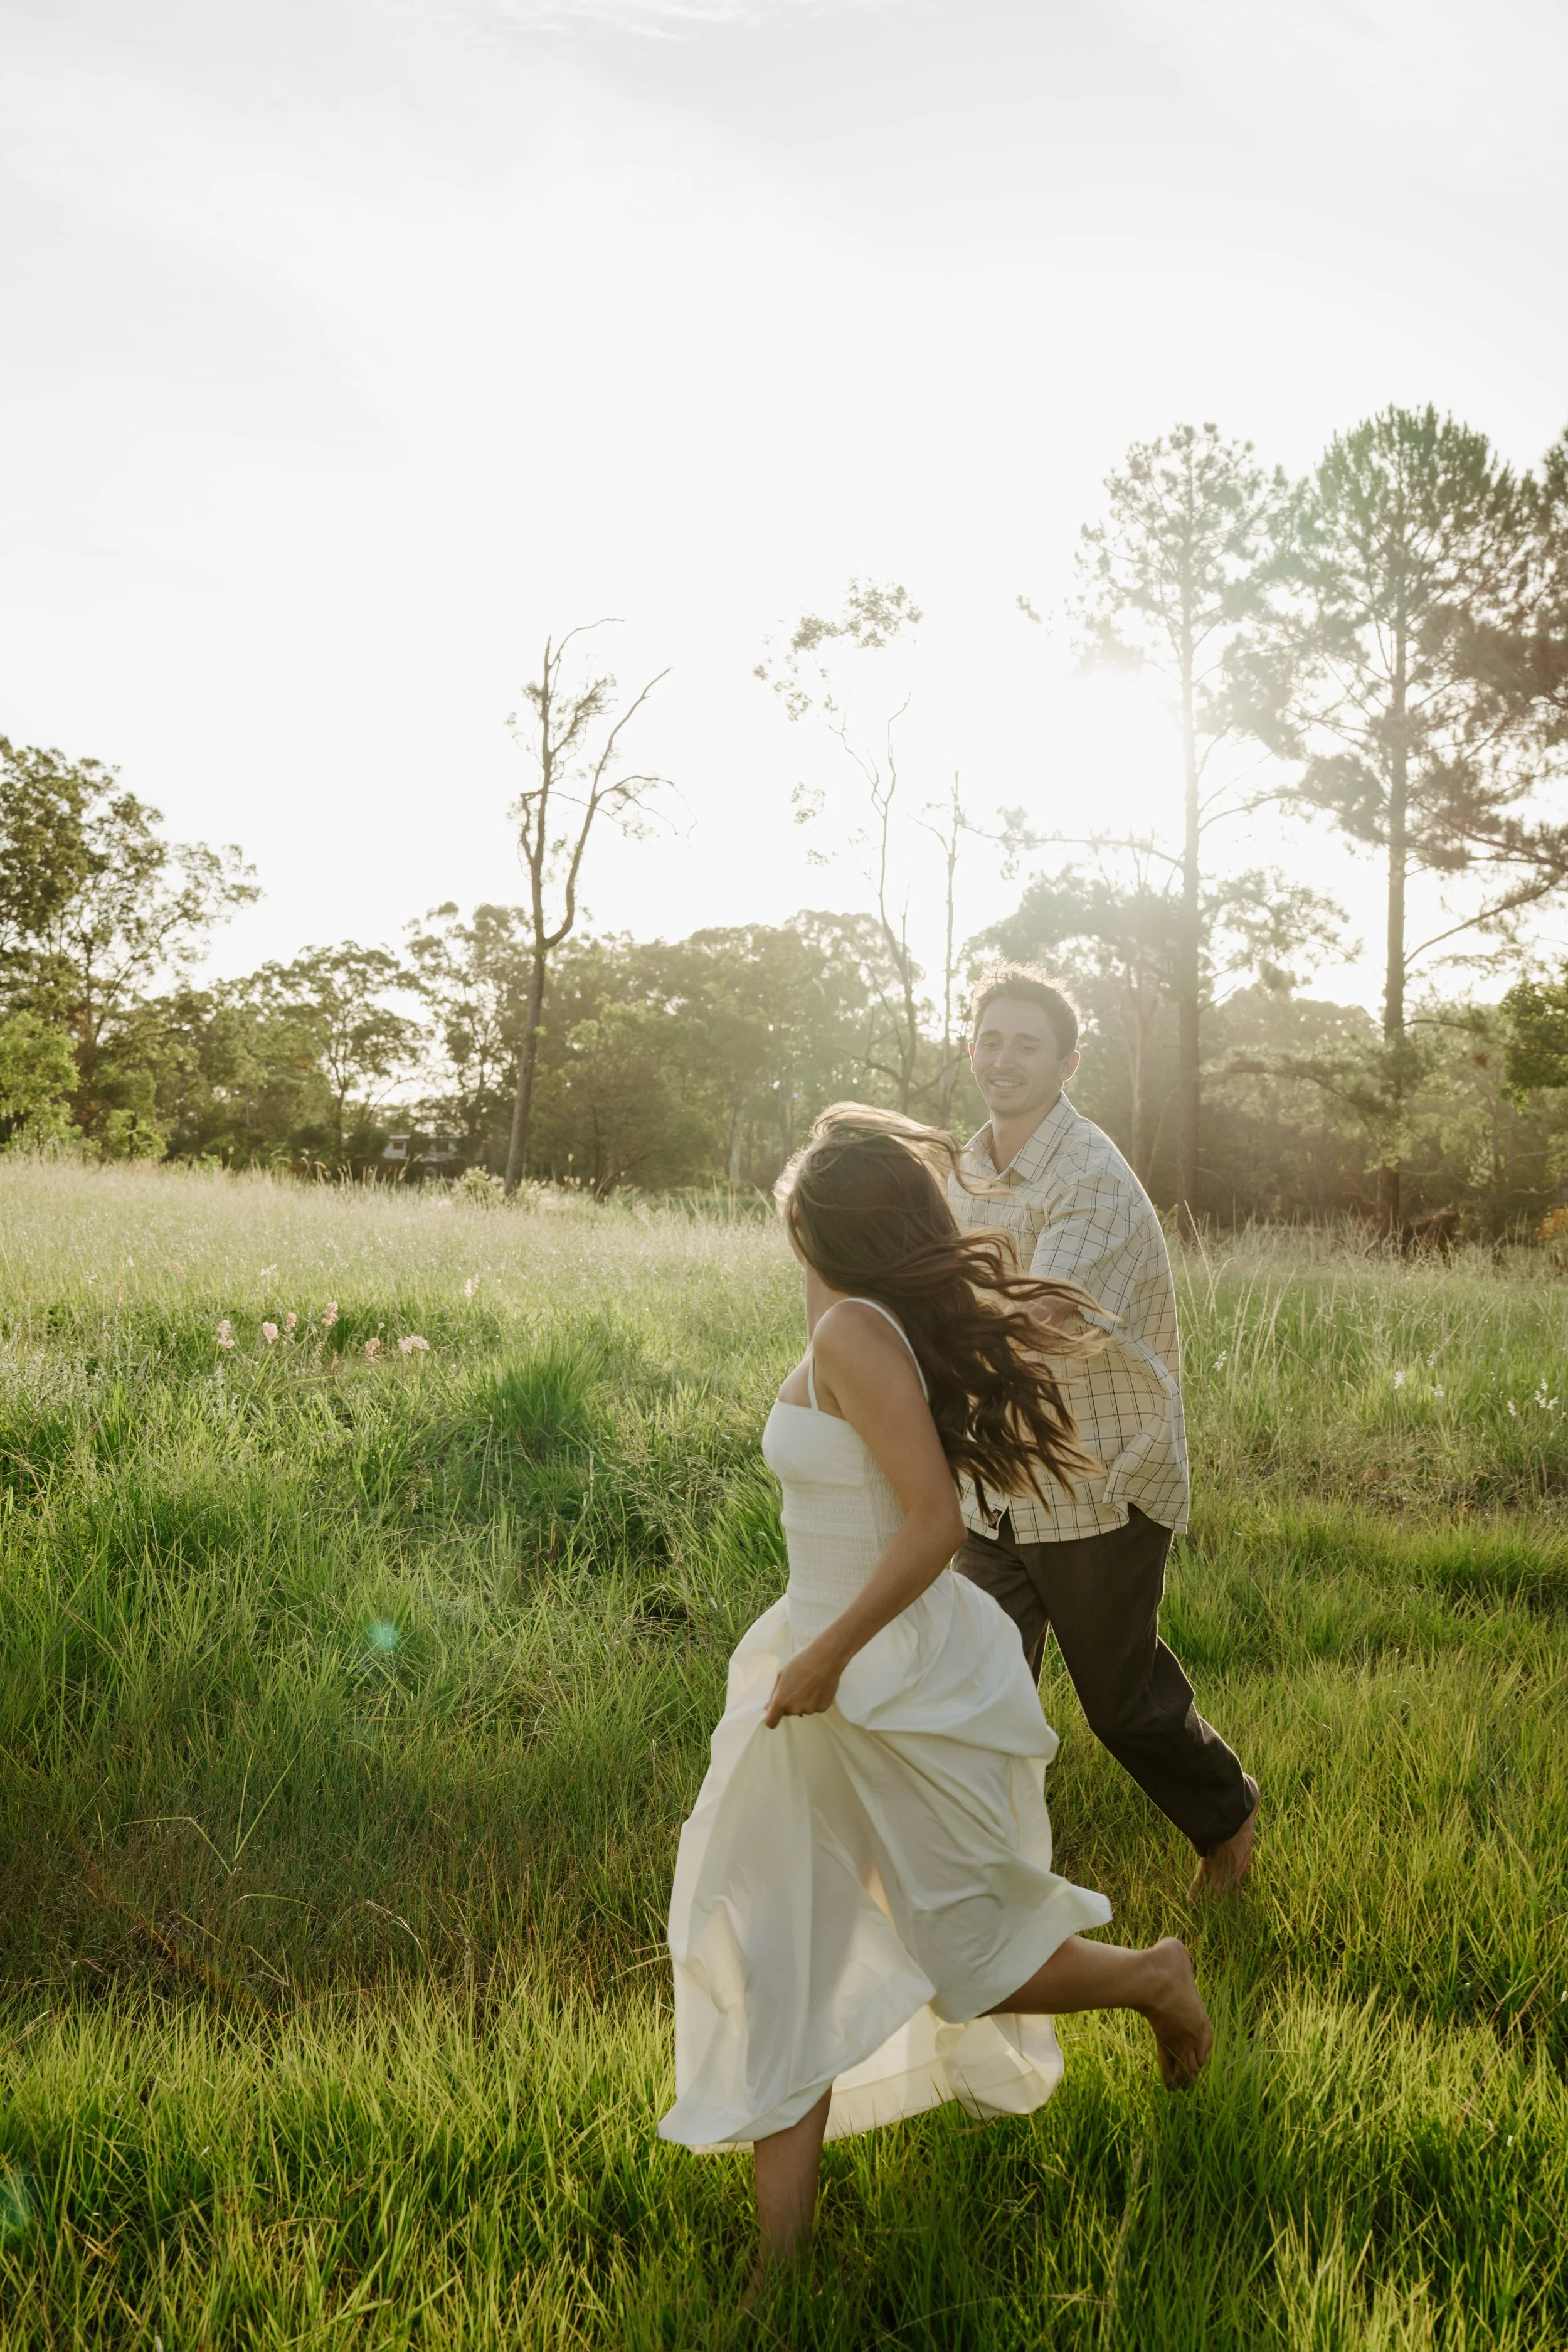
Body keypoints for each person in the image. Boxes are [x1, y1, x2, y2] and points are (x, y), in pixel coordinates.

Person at [659, 1105, 1212, 2275]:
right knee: (781, 1959)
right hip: (813, 1688)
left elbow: (931, 1523)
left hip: (880, 1680)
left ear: (818, 1229)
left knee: (972, 1954)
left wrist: (827, 1656)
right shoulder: (853, 1318)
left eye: (794, 1205)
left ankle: (1155, 1976)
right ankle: (777, 2271)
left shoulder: (858, 1332)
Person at [950, 963, 1259, 1895]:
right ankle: (983, 1877)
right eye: (990, 1039)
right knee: (977, 1692)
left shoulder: (1090, 1178)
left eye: (1026, 1045)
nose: (1003, 1060)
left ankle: (1228, 1814)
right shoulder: (966, 1166)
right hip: (994, 1484)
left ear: (1067, 1062)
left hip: (1095, 1479)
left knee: (1120, 1702)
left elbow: (1032, 1320)